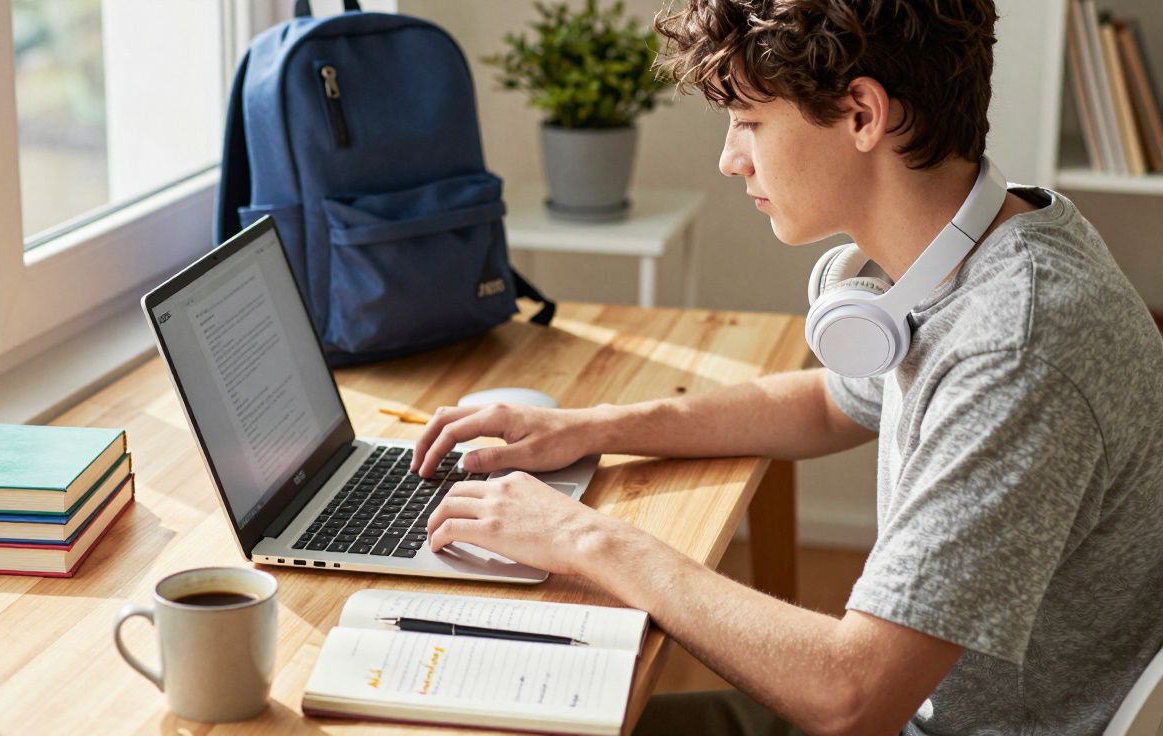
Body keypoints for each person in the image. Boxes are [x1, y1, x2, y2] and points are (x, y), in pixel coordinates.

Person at [414, 1, 1163, 734]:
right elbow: (830, 403)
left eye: (749, 122)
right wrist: (589, 427)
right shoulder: (994, 242)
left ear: (863, 114)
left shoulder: (1015, 348)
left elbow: (852, 699)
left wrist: (584, 538)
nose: (730, 157)